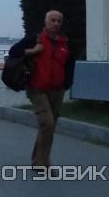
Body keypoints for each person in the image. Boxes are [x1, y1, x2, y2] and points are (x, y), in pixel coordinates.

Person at [9, 10, 74, 169]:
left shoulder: (64, 42)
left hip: (57, 90)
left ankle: (37, 159)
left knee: (48, 126)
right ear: (45, 22)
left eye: (59, 21)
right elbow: (13, 52)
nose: (56, 23)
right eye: (52, 20)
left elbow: (69, 65)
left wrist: (67, 84)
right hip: (37, 88)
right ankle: (43, 162)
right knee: (48, 123)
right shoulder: (34, 39)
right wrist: (33, 51)